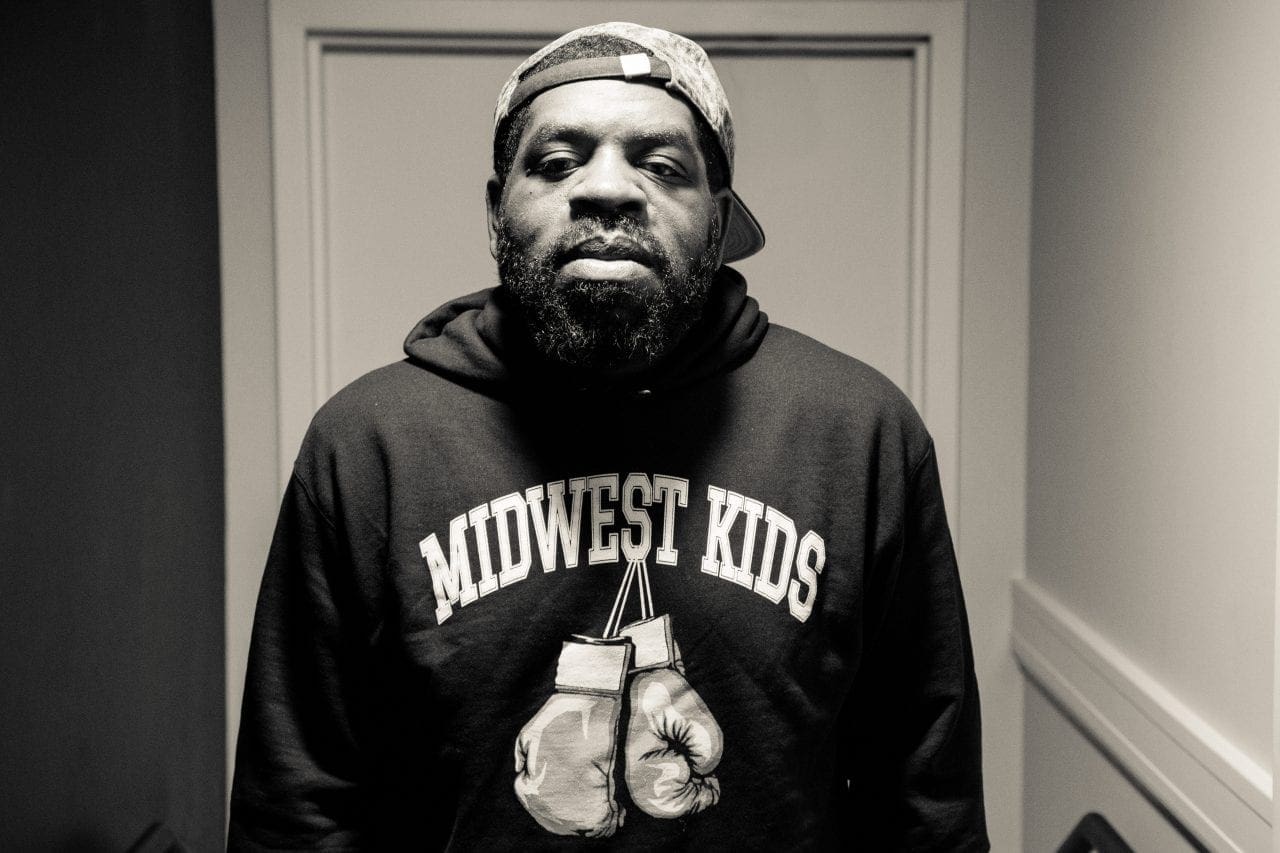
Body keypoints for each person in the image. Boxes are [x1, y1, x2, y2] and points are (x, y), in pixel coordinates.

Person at [228, 21, 987, 852]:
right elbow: (296, 809)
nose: (607, 190)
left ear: (718, 216)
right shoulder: (368, 445)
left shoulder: (859, 434)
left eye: (661, 166)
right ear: (495, 211)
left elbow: (925, 801)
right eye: (556, 163)